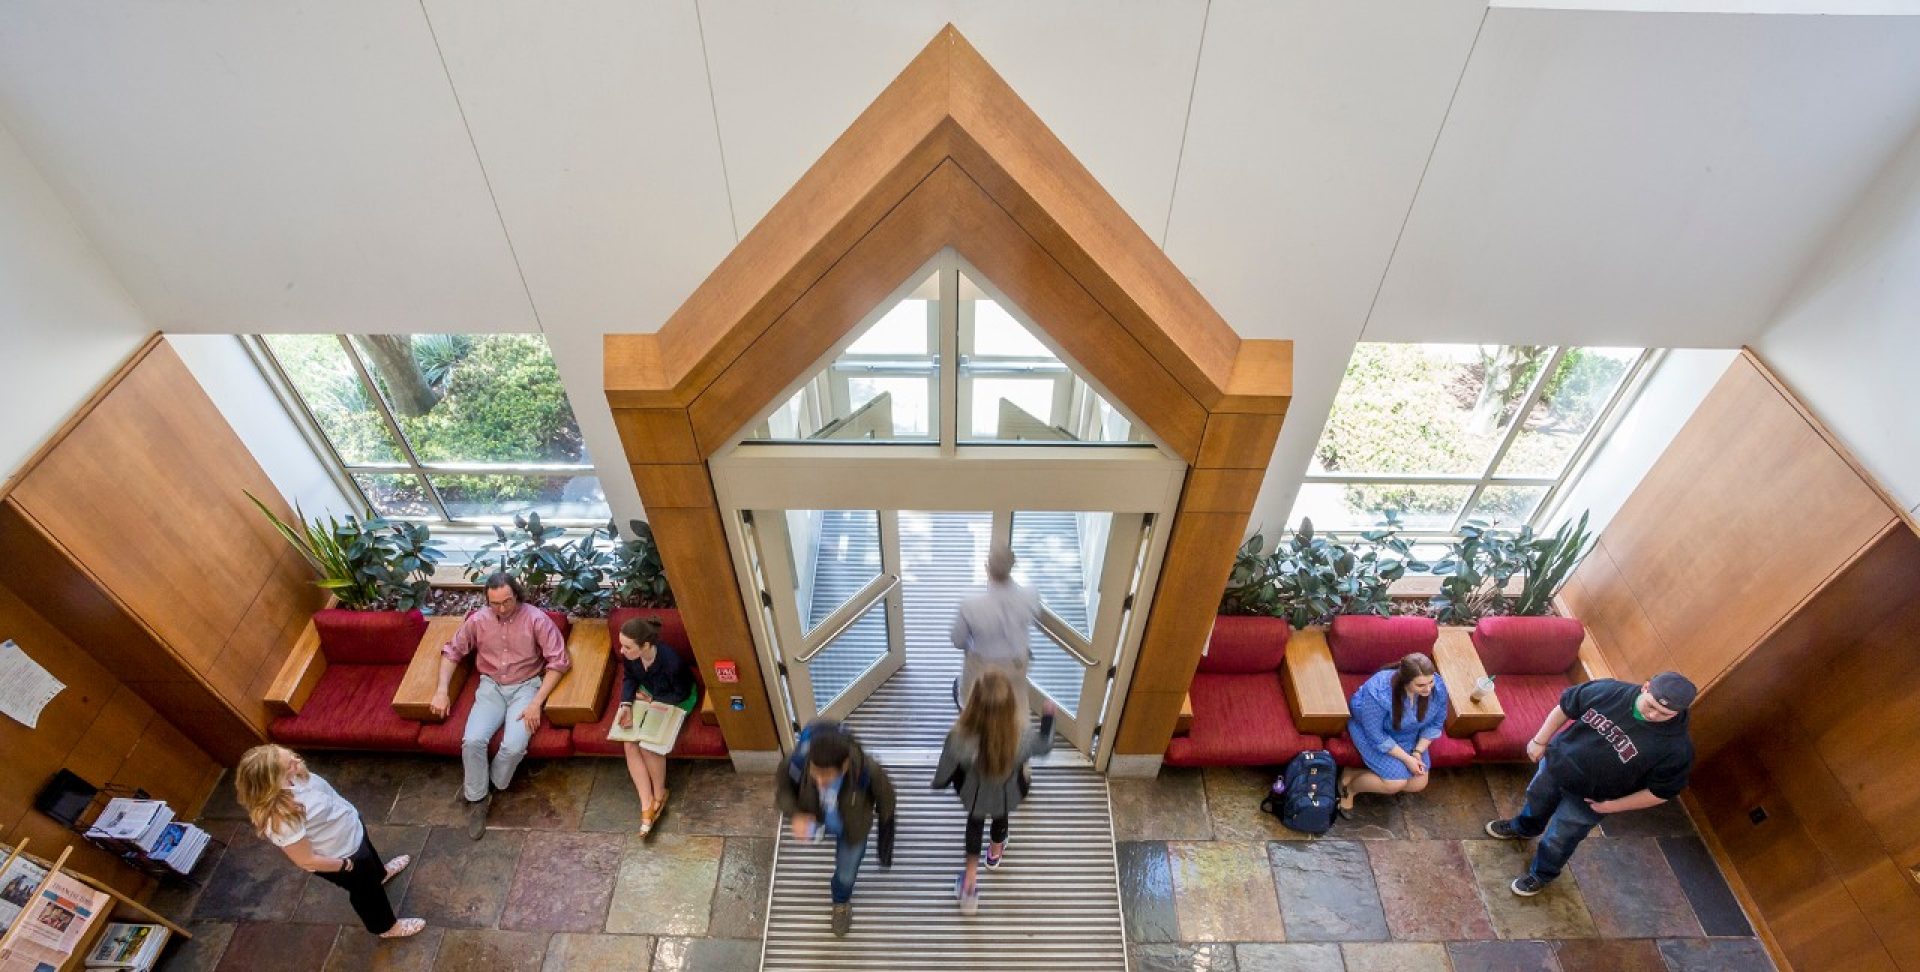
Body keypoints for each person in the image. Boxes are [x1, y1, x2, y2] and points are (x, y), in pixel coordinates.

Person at [1485, 671, 1697, 896]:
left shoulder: (1677, 749)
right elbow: (1566, 707)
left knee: (1561, 837)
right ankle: (1524, 827)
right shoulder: (1609, 691)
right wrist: (1540, 740)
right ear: (1646, 687)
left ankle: (1542, 874)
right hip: (1556, 767)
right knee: (1536, 799)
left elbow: (1661, 792)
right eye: (1651, 705)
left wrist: (1611, 807)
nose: (1653, 715)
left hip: (1592, 799)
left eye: (1664, 713)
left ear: (1679, 712)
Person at [431, 572, 571, 839]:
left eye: (507, 601)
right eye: (495, 603)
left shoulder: (536, 619)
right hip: (491, 687)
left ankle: (493, 782)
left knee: (514, 746)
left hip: (526, 687)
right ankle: (477, 799)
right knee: (472, 740)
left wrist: (536, 703)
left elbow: (559, 662)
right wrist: (441, 691)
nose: (502, 608)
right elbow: (452, 652)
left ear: (516, 594)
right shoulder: (478, 620)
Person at [233, 745, 424, 939]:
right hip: (342, 854)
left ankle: (380, 875)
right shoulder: (281, 820)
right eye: (289, 764)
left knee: (370, 867)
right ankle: (386, 927)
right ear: (273, 781)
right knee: (365, 892)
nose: (296, 760)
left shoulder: (296, 775)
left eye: (290, 755)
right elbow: (305, 860)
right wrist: (344, 865)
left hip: (351, 831)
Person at [931, 669, 1055, 915]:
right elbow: (1045, 745)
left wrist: (940, 783)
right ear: (1010, 706)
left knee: (974, 825)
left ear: (973, 704)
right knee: (1001, 816)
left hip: (974, 795)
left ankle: (970, 881)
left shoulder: (958, 738)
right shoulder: (1020, 738)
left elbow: (946, 767)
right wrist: (1049, 719)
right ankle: (995, 853)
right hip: (1007, 793)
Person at [774, 722, 896, 937]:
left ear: (846, 765)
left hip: (853, 829)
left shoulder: (868, 771)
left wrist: (886, 826)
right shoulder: (796, 763)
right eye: (815, 773)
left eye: (828, 776)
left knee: (846, 875)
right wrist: (796, 813)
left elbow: (887, 799)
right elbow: (783, 793)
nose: (820, 782)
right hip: (818, 818)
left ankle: (840, 902)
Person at [614, 614, 697, 837]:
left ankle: (660, 794)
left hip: (674, 699)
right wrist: (626, 704)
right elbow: (630, 678)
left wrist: (654, 702)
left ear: (646, 646)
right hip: (649, 694)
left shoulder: (672, 662)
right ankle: (646, 802)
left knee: (647, 746)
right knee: (629, 744)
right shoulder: (631, 657)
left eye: (627, 647)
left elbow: (682, 693)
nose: (622, 651)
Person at [1336, 653, 1449, 816]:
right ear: (1405, 681)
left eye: (1430, 681)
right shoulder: (1379, 691)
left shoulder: (1437, 687)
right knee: (1394, 783)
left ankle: (1352, 773)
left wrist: (1417, 752)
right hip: (1374, 733)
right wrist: (1407, 759)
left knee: (1419, 783)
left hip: (1408, 734)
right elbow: (1375, 734)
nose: (1429, 688)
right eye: (1421, 685)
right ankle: (1349, 789)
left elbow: (1436, 723)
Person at [951, 543, 1040, 712]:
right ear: (1013, 566)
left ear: (987, 568)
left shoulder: (971, 604)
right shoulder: (1031, 595)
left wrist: (969, 644)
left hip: (982, 668)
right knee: (1011, 703)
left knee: (971, 701)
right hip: (1016, 664)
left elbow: (958, 640)